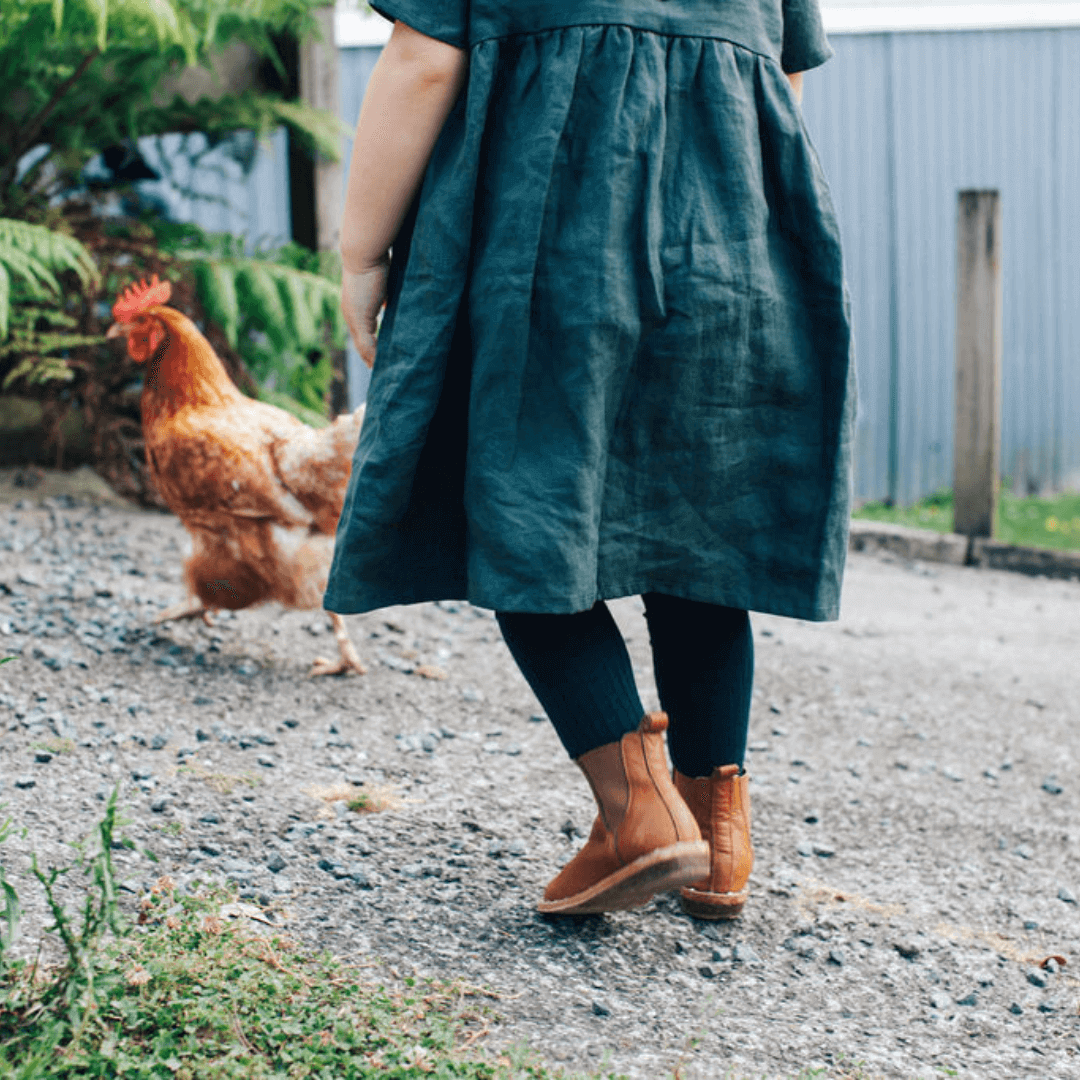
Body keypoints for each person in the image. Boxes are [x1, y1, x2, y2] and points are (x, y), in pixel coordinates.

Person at [328, 0, 856, 918]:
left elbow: (421, 63)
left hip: (549, 243)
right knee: (699, 535)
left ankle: (638, 816)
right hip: (728, 244)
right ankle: (717, 838)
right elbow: (784, 82)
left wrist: (360, 254)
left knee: (516, 512)